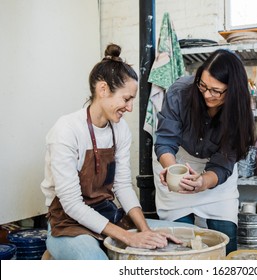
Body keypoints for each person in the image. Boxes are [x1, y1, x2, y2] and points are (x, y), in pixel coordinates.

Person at [40, 43, 180, 260]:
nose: (130, 108)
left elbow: (122, 186)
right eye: (126, 99)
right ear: (103, 89)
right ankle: (55, 251)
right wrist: (127, 237)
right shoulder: (66, 130)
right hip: (66, 223)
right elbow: (72, 204)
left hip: (106, 214)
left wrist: (145, 231)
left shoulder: (120, 129)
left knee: (166, 239)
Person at [153, 49, 255, 254]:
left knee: (226, 241)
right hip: (177, 162)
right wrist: (173, 171)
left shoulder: (239, 112)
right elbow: (165, 139)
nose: (207, 94)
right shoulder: (181, 91)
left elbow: (223, 163)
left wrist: (202, 182)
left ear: (233, 90)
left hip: (215, 176)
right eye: (203, 85)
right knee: (180, 244)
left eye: (216, 91)